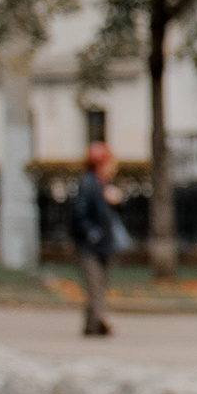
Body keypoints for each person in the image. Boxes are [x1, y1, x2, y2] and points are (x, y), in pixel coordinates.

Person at [68, 140, 122, 338]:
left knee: (99, 284)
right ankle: (100, 321)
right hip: (89, 245)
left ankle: (90, 325)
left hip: (104, 244)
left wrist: (116, 201)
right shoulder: (88, 183)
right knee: (94, 285)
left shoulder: (105, 184)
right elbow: (79, 213)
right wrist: (92, 234)